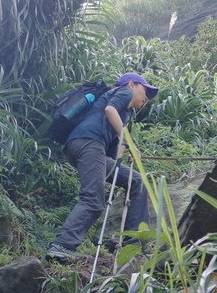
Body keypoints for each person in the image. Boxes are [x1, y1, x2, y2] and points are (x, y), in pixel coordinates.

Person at [47, 72, 158, 260]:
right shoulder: (123, 92)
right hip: (88, 144)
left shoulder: (126, 113)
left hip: (85, 147)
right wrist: (130, 143)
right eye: (144, 89)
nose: (146, 96)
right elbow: (109, 110)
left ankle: (135, 240)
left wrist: (126, 150)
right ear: (131, 84)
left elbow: (112, 149)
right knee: (93, 199)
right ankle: (61, 245)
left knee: (136, 180)